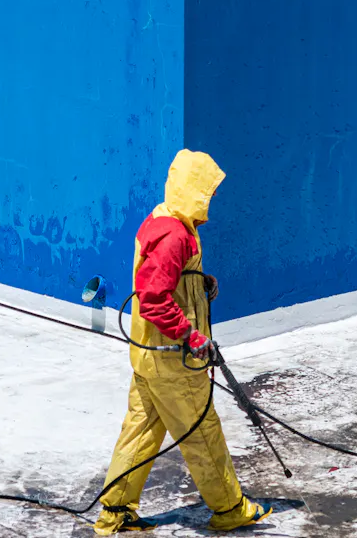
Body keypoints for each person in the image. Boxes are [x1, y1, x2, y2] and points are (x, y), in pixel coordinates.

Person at [92, 149, 272, 535]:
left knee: (140, 431)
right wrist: (190, 335)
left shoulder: (162, 219)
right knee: (203, 432)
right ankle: (230, 509)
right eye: (208, 191)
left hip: (147, 357)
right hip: (172, 359)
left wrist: (198, 283)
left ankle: (116, 510)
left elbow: (162, 279)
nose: (212, 199)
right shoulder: (175, 235)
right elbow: (154, 297)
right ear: (194, 190)